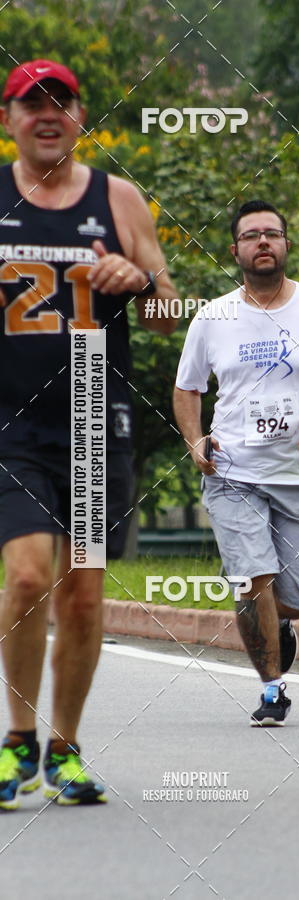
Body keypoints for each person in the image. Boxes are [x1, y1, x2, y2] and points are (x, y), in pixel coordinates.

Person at [0, 59, 178, 809]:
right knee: (30, 579)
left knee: (80, 599)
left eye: (60, 103)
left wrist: (140, 284)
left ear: (79, 117)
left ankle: (65, 750)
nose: (47, 115)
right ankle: (17, 742)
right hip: (9, 425)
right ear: (8, 119)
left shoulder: (121, 199)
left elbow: (171, 312)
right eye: (30, 104)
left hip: (94, 422)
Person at [174, 199, 299, 725]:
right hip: (233, 472)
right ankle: (273, 690)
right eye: (251, 235)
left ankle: (279, 624)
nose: (262, 242)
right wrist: (194, 440)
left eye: (271, 234)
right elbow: (187, 388)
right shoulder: (213, 317)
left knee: (294, 595)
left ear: (285, 245)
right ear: (235, 250)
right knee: (256, 579)